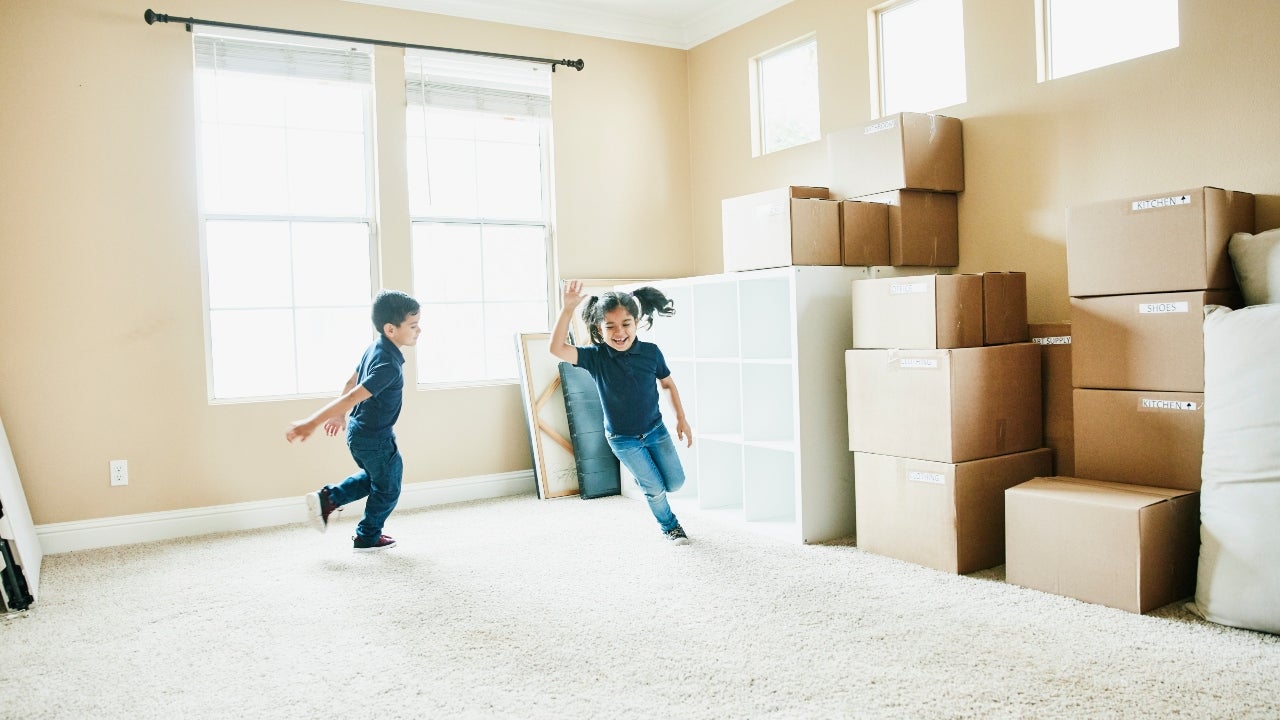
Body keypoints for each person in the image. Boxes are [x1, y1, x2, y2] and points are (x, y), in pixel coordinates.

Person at [550, 280, 694, 545]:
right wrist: (567, 309)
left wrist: (681, 418)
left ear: (636, 322)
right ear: (598, 328)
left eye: (625, 324)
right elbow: (556, 349)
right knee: (655, 490)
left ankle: (644, 479)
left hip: (655, 431)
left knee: (675, 483)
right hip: (622, 439)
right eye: (610, 326)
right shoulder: (595, 357)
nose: (619, 332)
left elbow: (668, 384)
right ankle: (670, 527)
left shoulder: (651, 353)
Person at [286, 289, 421, 552]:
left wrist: (340, 417)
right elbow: (352, 395)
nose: (419, 330)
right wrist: (312, 423)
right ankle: (368, 536)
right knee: (389, 487)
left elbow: (351, 381)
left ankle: (328, 498)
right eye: (413, 325)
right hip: (375, 438)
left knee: (377, 478)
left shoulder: (376, 347)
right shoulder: (388, 366)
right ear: (391, 329)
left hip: (361, 434)